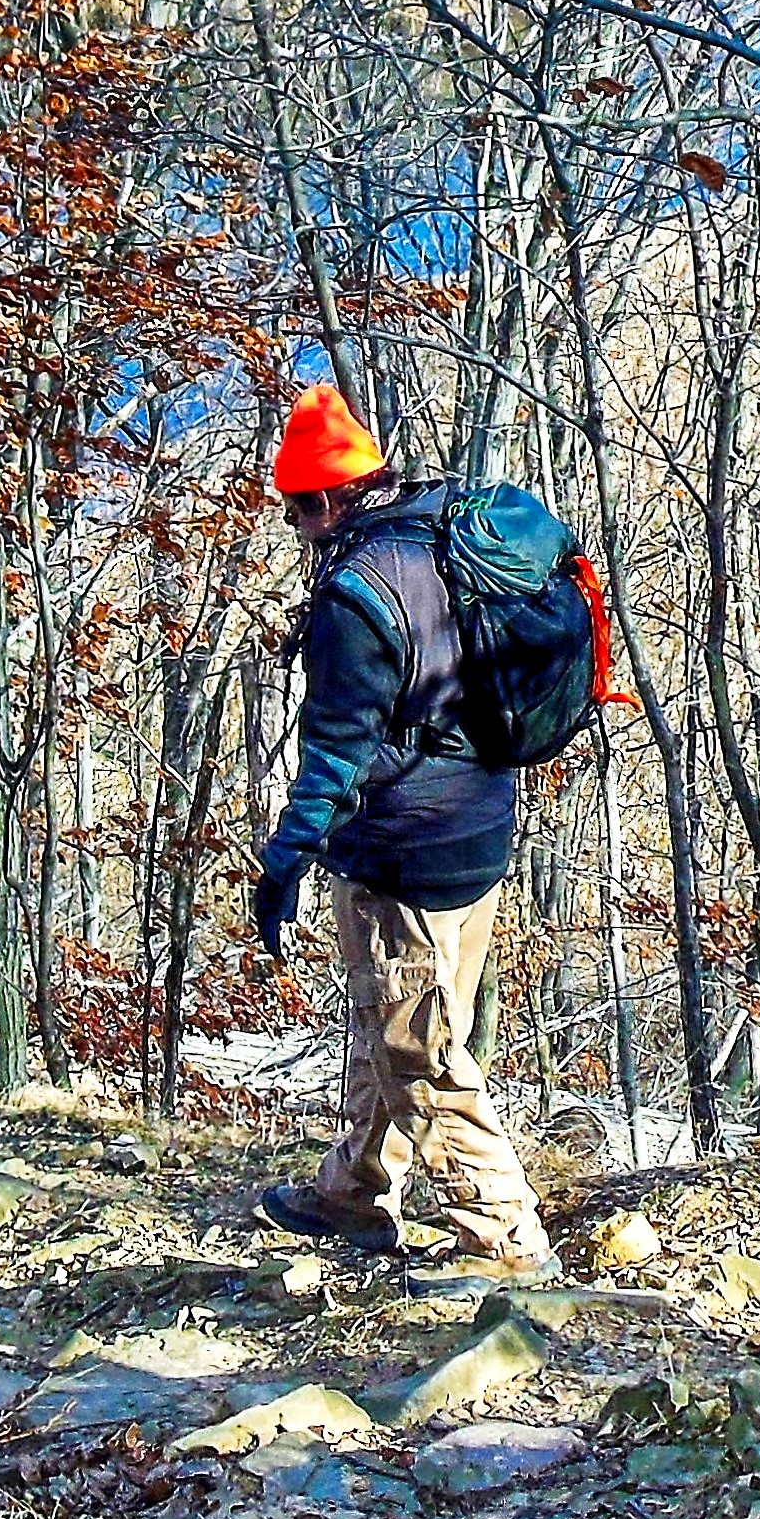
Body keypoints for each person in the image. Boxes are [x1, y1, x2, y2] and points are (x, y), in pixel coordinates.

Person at [250, 385, 556, 1276]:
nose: (296, 528)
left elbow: (335, 756)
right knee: (397, 1017)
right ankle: (352, 1189)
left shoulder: (355, 595)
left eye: (295, 510)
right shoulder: (443, 533)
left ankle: (503, 1239)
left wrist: (285, 862)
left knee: (418, 1050)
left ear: (320, 500)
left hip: (402, 853)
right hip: (481, 831)